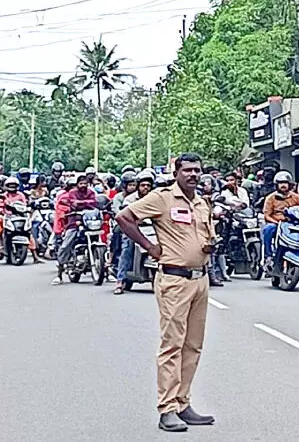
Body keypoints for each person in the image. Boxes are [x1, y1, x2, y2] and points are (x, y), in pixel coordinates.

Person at [115, 153, 216, 433]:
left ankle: (183, 403)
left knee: (193, 345)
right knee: (172, 344)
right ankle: (167, 409)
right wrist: (150, 247)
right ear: (176, 172)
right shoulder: (162, 198)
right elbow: (124, 218)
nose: (193, 175)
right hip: (174, 280)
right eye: (187, 170)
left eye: (197, 170)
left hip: (200, 280)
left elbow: (204, 235)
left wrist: (207, 245)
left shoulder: (201, 202)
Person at [53, 175, 98, 285]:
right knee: (65, 245)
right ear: (77, 184)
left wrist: (82, 203)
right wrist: (84, 203)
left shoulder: (91, 192)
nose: (83, 185)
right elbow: (74, 204)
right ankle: (59, 274)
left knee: (103, 241)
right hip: (74, 222)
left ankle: (107, 271)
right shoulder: (72, 192)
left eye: (85, 183)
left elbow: (94, 203)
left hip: (90, 223)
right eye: (81, 183)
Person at [0, 177, 43, 264]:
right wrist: (1, 210)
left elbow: (24, 205)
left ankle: (35, 256)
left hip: (19, 216)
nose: (12, 187)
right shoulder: (4, 196)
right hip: (6, 216)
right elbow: (0, 206)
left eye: (13, 185)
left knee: (28, 233)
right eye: (10, 185)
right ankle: (0, 244)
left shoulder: (21, 195)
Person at [261, 171, 299, 265]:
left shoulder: (296, 197)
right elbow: (267, 215)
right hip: (276, 223)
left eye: (285, 183)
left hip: (292, 224)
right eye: (280, 183)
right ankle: (268, 256)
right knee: (268, 229)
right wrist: (277, 223)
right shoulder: (270, 198)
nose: (283, 185)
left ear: (290, 185)